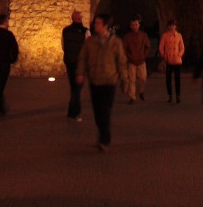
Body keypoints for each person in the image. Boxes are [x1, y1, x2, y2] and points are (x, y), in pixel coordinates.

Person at [76, 12, 128, 151]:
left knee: (105, 110)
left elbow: (122, 62)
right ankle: (103, 133)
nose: (95, 25)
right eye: (95, 23)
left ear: (105, 25)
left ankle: (105, 138)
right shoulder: (90, 42)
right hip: (95, 80)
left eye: (98, 23)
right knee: (97, 112)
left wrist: (124, 80)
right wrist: (80, 73)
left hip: (109, 81)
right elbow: (82, 58)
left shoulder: (115, 42)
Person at [62, 9, 89, 121]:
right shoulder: (86, 31)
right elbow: (89, 47)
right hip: (80, 63)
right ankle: (76, 113)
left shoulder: (65, 30)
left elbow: (63, 45)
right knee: (77, 88)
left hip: (69, 62)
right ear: (79, 18)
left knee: (74, 87)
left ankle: (71, 113)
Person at [122, 15, 151, 103]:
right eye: (133, 25)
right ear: (130, 26)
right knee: (132, 80)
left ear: (139, 25)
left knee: (143, 78)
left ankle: (141, 91)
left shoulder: (143, 35)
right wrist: (128, 56)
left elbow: (147, 46)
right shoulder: (127, 37)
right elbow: (124, 48)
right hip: (131, 61)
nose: (135, 26)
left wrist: (144, 55)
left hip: (141, 60)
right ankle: (132, 97)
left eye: (136, 24)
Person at [158, 19, 185, 103]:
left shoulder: (179, 35)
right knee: (168, 79)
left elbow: (182, 47)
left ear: (175, 26)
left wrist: (179, 54)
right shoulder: (165, 35)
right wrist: (163, 55)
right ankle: (170, 95)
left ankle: (178, 95)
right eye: (170, 25)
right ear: (168, 26)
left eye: (173, 25)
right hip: (168, 60)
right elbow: (161, 47)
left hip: (177, 60)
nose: (172, 27)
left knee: (177, 79)